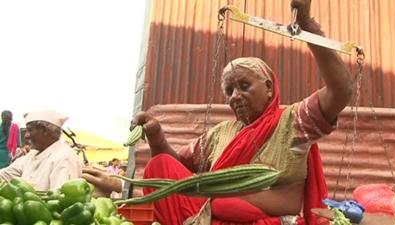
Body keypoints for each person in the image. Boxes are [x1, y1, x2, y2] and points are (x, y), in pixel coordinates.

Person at [85, 0, 353, 224]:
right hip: (209, 217)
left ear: (269, 87)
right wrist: (157, 138)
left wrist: (308, 26)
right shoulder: (220, 134)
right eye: (229, 90)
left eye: (244, 85)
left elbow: (340, 92)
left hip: (262, 222)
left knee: (220, 206)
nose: (236, 96)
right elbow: (177, 173)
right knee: (160, 166)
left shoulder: (293, 122)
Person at [0, 109, 83, 191]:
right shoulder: (31, 155)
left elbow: (58, 199)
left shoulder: (65, 158)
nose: (26, 136)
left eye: (29, 130)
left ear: (44, 130)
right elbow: (5, 175)